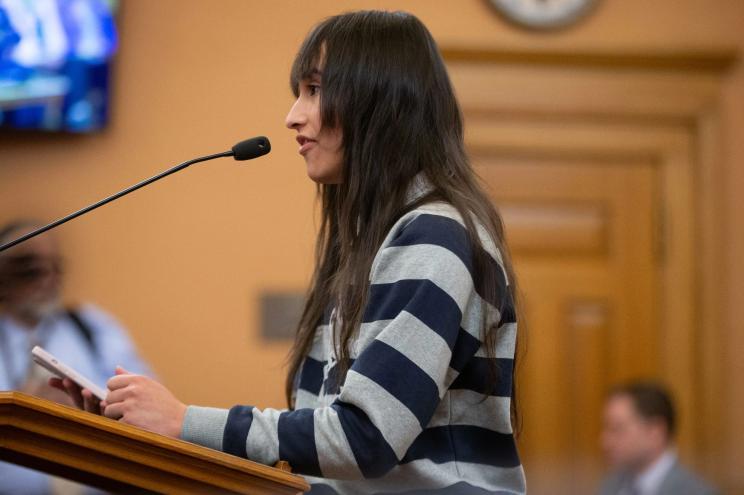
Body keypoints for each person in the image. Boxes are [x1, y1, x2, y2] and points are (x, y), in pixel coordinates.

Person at [54, 10, 526, 494]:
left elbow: (364, 439)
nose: (292, 116)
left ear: (379, 98)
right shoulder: (369, 242)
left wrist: (182, 421)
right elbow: (322, 459)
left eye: (315, 90)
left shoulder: (433, 236)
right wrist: (142, 428)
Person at [0, 220, 153, 495]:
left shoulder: (94, 328)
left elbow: (149, 412)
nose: (48, 277)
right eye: (30, 268)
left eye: (57, 266)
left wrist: (91, 413)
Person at [600, 381, 718, 495]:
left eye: (617, 429)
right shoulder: (611, 486)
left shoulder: (696, 492)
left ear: (655, 432)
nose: (605, 441)